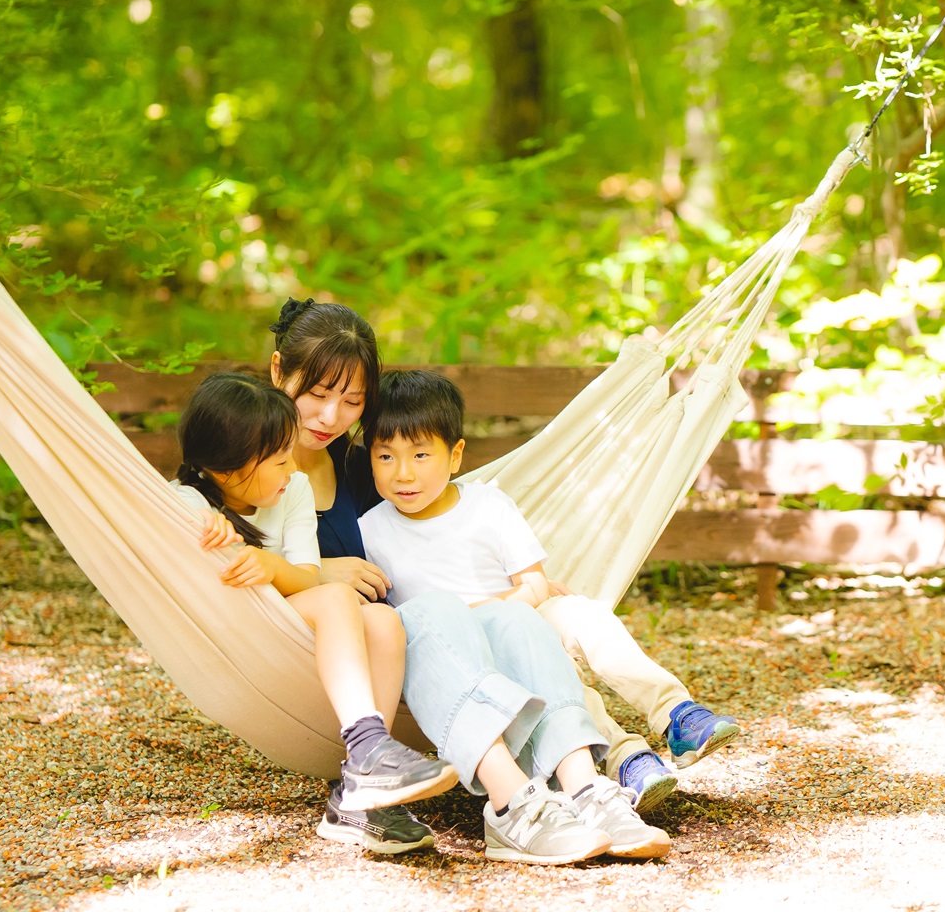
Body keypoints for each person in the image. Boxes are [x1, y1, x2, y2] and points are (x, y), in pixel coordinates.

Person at [260, 300, 671, 863]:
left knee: (507, 615)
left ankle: (586, 790)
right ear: (279, 371)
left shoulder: (367, 470)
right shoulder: (249, 460)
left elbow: (435, 523)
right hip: (312, 651)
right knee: (428, 612)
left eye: (352, 402)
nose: (331, 416)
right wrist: (319, 572)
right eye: (317, 394)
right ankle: (513, 803)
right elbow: (231, 560)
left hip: (421, 648)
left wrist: (530, 586)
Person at [359, 371, 742, 810]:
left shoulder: (488, 505)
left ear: (455, 455)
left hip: (523, 620)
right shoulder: (370, 533)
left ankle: (676, 714)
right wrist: (494, 609)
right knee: (552, 665)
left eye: (421, 454)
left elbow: (536, 584)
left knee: (585, 615)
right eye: (385, 457)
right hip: (471, 659)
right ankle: (627, 758)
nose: (403, 473)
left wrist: (512, 605)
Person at [170, 371, 456, 854]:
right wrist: (200, 521)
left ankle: (363, 790)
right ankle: (368, 750)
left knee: (383, 618)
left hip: (294, 620)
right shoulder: (187, 504)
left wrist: (269, 564)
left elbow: (305, 575)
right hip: (239, 632)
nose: (290, 469)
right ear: (225, 468)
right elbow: (178, 539)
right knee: (338, 596)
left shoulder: (294, 489)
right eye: (278, 460)